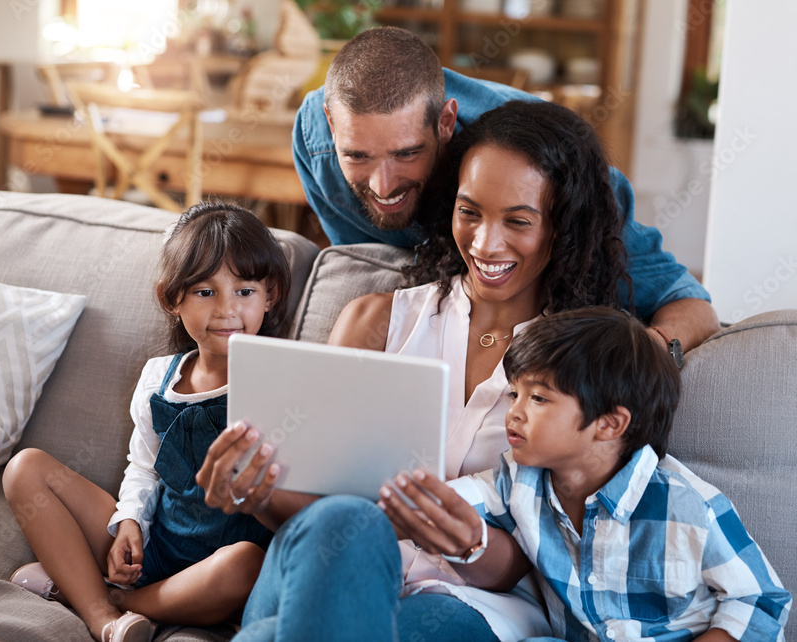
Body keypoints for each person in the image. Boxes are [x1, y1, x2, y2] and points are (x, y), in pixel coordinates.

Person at [197, 99, 644, 640]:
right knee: (349, 520)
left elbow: (546, 558)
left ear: (562, 230)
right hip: (326, 571)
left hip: (471, 604)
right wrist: (257, 490)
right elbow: (315, 519)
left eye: (518, 222)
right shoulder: (374, 322)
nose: (484, 243)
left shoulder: (587, 369)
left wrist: (466, 542)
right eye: (470, 211)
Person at [293, 26, 720, 352]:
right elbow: (370, 262)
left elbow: (687, 302)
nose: (382, 186)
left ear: (445, 123)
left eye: (407, 153)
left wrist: (645, 356)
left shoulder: (552, 171)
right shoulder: (318, 146)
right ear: (333, 125)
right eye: (358, 156)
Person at [382, 306, 791, 641]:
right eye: (514, 394)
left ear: (609, 424)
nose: (515, 412)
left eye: (538, 398)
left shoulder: (687, 505)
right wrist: (410, 505)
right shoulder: (518, 481)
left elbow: (762, 599)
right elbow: (454, 501)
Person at [3, 202, 292, 642]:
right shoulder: (159, 376)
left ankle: (108, 600)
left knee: (247, 563)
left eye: (244, 291)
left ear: (269, 296)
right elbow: (144, 468)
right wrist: (130, 524)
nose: (226, 310)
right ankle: (105, 621)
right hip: (155, 548)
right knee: (25, 469)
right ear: (171, 298)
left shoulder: (279, 382)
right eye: (205, 292)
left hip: (218, 570)